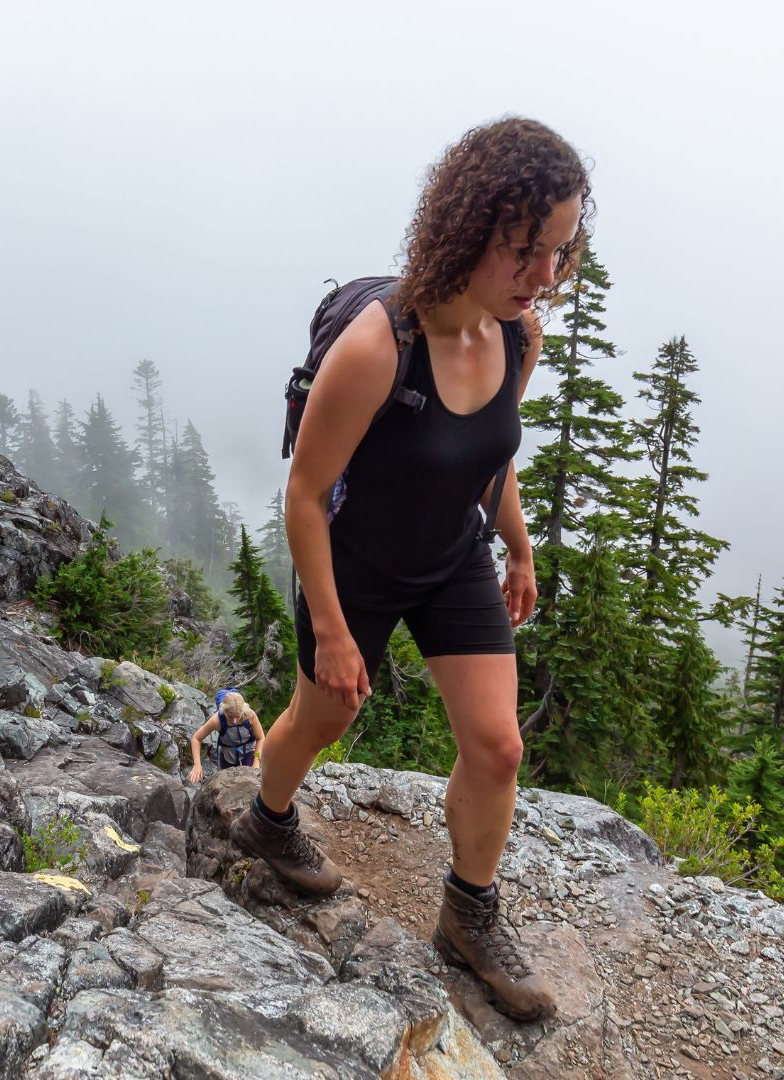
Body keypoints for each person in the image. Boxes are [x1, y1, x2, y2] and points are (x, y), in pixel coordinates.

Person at [231, 116, 588, 1023]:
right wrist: (337, 632)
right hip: (358, 564)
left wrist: (516, 540)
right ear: (469, 231)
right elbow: (304, 498)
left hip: (453, 556)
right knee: (326, 715)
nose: (545, 277)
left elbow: (486, 455)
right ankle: (266, 818)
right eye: (525, 252)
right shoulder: (378, 349)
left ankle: (469, 914)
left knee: (499, 744)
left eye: (560, 251)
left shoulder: (517, 338)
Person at [187, 690, 264, 784]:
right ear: (224, 710)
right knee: (226, 783)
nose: (234, 721)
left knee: (250, 781)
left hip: (248, 750)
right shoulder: (217, 720)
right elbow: (196, 738)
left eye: (238, 716)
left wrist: (256, 762)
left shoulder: (250, 715)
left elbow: (260, 738)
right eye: (230, 716)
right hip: (227, 753)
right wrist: (197, 764)